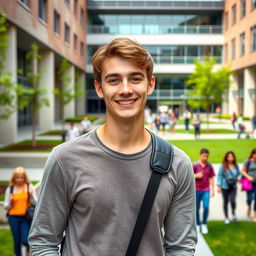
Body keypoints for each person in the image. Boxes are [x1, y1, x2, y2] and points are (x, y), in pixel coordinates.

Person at [29, 37, 197, 255]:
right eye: (114, 80)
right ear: (99, 88)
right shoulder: (65, 159)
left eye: (135, 78)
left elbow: (181, 248)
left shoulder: (178, 164)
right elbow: (43, 242)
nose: (125, 89)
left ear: (151, 84)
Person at [4, 167, 37, 256]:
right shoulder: (10, 189)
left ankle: (28, 249)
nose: (19, 179)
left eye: (21, 177)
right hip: (13, 218)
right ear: (14, 178)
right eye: (17, 177)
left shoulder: (29, 187)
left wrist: (30, 196)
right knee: (17, 241)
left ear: (24, 177)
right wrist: (10, 202)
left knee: (25, 240)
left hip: (26, 218)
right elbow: (6, 207)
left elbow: (36, 203)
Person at [193, 148, 215, 234]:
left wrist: (212, 190)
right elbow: (188, 176)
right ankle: (198, 224)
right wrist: (196, 175)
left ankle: (204, 223)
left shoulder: (209, 166)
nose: (205, 158)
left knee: (206, 207)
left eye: (207, 156)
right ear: (200, 155)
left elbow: (211, 177)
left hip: (206, 190)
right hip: (196, 189)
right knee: (197, 208)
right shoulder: (195, 165)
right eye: (204, 156)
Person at [217, 151, 241, 224]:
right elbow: (219, 175)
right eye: (229, 157)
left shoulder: (236, 165)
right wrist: (219, 185)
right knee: (226, 202)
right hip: (225, 186)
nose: (230, 158)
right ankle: (226, 217)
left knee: (233, 201)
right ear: (226, 158)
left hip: (233, 186)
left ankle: (233, 213)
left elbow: (239, 174)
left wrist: (239, 178)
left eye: (232, 157)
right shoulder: (223, 166)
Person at [241, 148, 256, 222]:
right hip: (249, 183)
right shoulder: (248, 161)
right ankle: (249, 206)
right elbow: (242, 171)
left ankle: (254, 215)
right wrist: (248, 177)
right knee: (249, 198)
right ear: (253, 154)